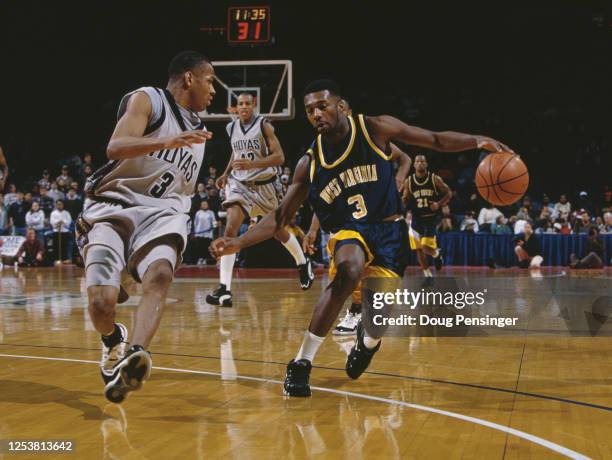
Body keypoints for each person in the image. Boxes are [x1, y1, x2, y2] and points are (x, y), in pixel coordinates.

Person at [211, 79, 511, 396]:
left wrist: (479, 140)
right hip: (350, 231)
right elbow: (281, 216)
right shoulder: (309, 162)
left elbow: (434, 139)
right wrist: (238, 242)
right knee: (348, 270)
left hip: (390, 233)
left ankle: (367, 344)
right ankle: (301, 363)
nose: (316, 113)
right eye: (309, 109)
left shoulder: (374, 129)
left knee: (375, 323)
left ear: (341, 106)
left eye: (322, 105)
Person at [77, 50, 215, 403]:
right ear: (189, 78)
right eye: (210, 80)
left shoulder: (200, 130)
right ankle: (112, 340)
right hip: (113, 205)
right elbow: (116, 146)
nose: (213, 90)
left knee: (160, 275)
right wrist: (165, 141)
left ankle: (135, 355)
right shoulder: (148, 99)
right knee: (102, 304)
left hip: (162, 213)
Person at [303, 98, 412, 335]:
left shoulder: (369, 138)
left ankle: (359, 314)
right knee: (347, 272)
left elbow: (405, 157)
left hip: (379, 218)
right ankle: (357, 312)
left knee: (364, 273)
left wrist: (400, 177)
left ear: (346, 112)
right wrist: (312, 229)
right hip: (349, 221)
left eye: (340, 109)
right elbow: (322, 197)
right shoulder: (326, 152)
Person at [207, 92, 313, 307]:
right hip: (240, 185)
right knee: (230, 229)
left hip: (266, 185)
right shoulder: (231, 127)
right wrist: (226, 173)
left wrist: (251, 165)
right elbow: (235, 153)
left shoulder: (264, 125)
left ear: (253, 105)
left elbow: (280, 157)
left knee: (278, 231)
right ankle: (224, 289)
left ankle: (302, 263)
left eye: (247, 103)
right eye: (240, 104)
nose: (243, 107)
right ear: (236, 107)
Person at [403, 155, 450, 287]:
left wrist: (439, 204)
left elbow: (448, 193)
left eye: (422, 161)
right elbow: (405, 199)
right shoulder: (409, 181)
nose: (420, 163)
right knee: (418, 249)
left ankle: (436, 253)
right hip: (416, 218)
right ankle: (428, 276)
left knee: (425, 247)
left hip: (431, 218)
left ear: (426, 164)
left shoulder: (435, 179)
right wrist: (405, 210)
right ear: (414, 165)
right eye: (417, 161)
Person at [192, 200, 217, 264]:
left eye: (205, 204)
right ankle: (200, 259)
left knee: (207, 246)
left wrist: (214, 228)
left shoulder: (211, 212)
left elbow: (214, 222)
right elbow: (195, 223)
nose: (204, 205)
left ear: (208, 205)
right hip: (199, 233)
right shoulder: (198, 213)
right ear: (201, 205)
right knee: (199, 246)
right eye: (203, 204)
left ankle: (205, 259)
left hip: (208, 233)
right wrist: (195, 232)